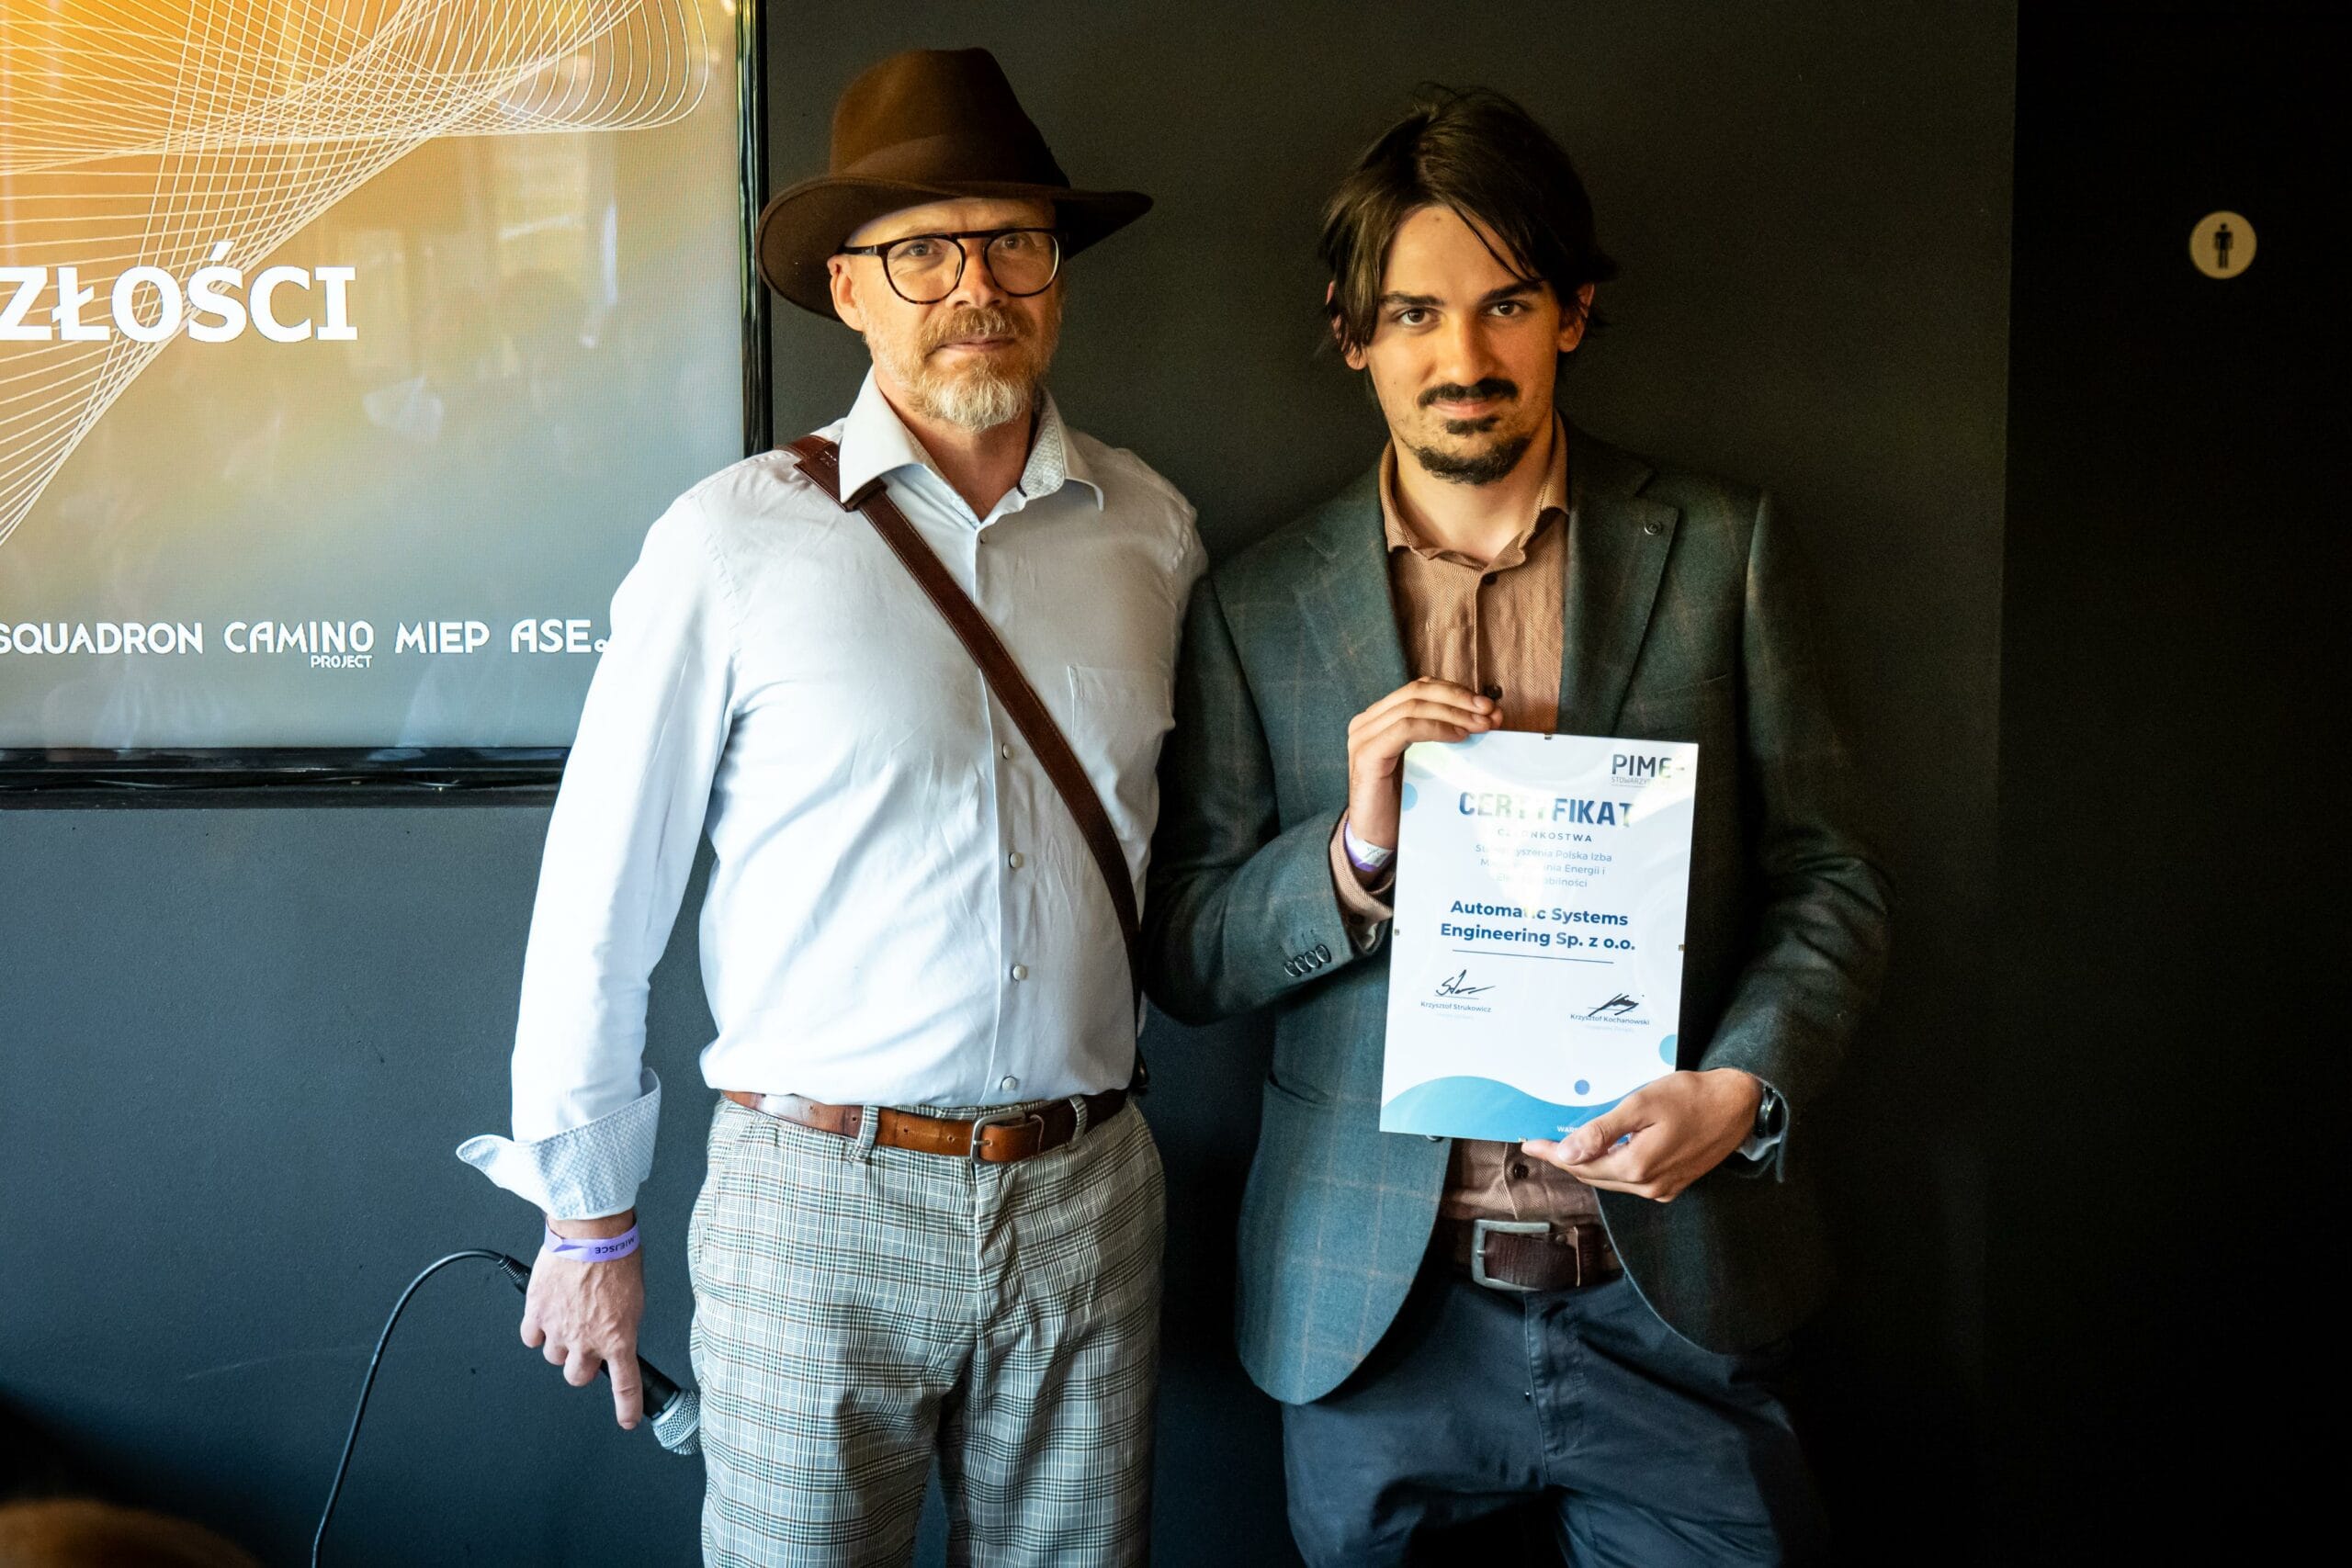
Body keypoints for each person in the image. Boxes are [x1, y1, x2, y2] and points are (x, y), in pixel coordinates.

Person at [456, 48, 1203, 1566]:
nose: (974, 285)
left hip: (1089, 1193)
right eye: (922, 251)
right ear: (850, 291)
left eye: (1012, 242)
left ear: (1056, 278)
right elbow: (601, 893)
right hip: (816, 1204)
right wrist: (587, 1218)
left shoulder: (1154, 531)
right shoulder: (729, 543)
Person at [1144, 86, 1890, 1565]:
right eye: (1414, 315)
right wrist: (1353, 856)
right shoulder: (1255, 605)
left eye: (1507, 305)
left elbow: (1831, 875)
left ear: (1575, 313)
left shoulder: (1724, 550)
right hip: (1373, 1312)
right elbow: (1191, 952)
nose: (1464, 360)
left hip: (1672, 1296)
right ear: (1352, 334)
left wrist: (1745, 1089)